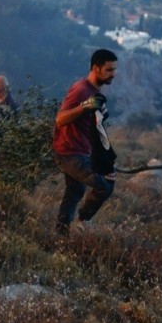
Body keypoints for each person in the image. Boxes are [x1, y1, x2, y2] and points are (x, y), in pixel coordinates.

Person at [52, 49, 118, 236]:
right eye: (109, 70)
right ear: (96, 68)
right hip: (69, 153)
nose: (114, 74)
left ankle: (60, 235)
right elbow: (60, 119)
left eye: (114, 69)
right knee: (103, 185)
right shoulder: (82, 90)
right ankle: (83, 221)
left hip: (81, 150)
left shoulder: (94, 91)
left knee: (74, 192)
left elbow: (93, 128)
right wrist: (84, 107)